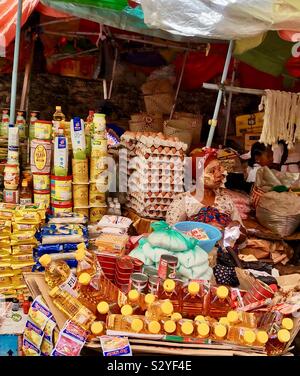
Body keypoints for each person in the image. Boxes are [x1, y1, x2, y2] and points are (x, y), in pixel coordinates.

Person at [166, 147, 242, 228]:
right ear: (197, 176)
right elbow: (172, 232)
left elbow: (241, 229)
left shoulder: (225, 200)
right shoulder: (183, 202)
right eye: (212, 171)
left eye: (219, 169)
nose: (219, 175)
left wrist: (236, 228)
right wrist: (203, 229)